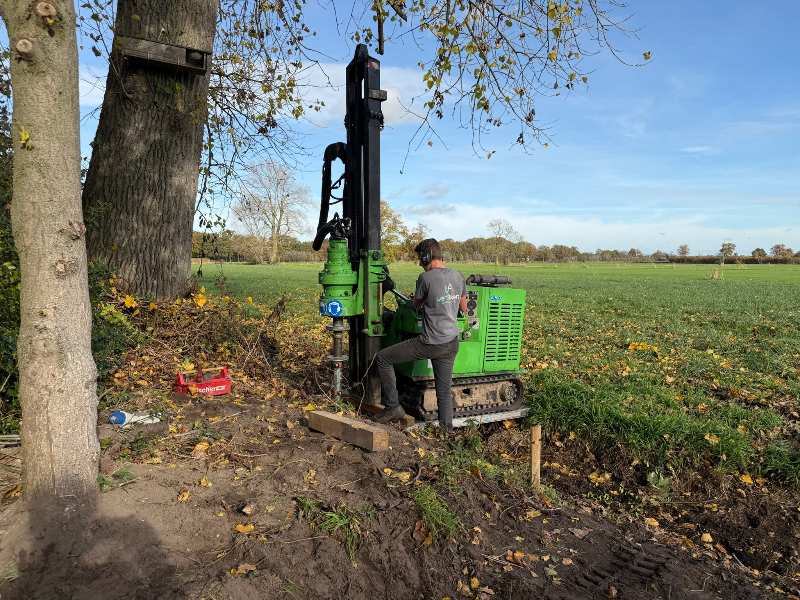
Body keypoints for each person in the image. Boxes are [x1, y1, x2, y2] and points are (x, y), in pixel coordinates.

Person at [374, 238, 467, 431]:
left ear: (427, 256)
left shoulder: (425, 278)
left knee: (383, 358)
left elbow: (416, 306)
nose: (419, 263)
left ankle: (392, 407)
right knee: (443, 390)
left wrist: (419, 302)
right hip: (451, 343)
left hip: (430, 342)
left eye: (420, 258)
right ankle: (446, 430)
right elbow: (464, 307)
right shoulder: (458, 276)